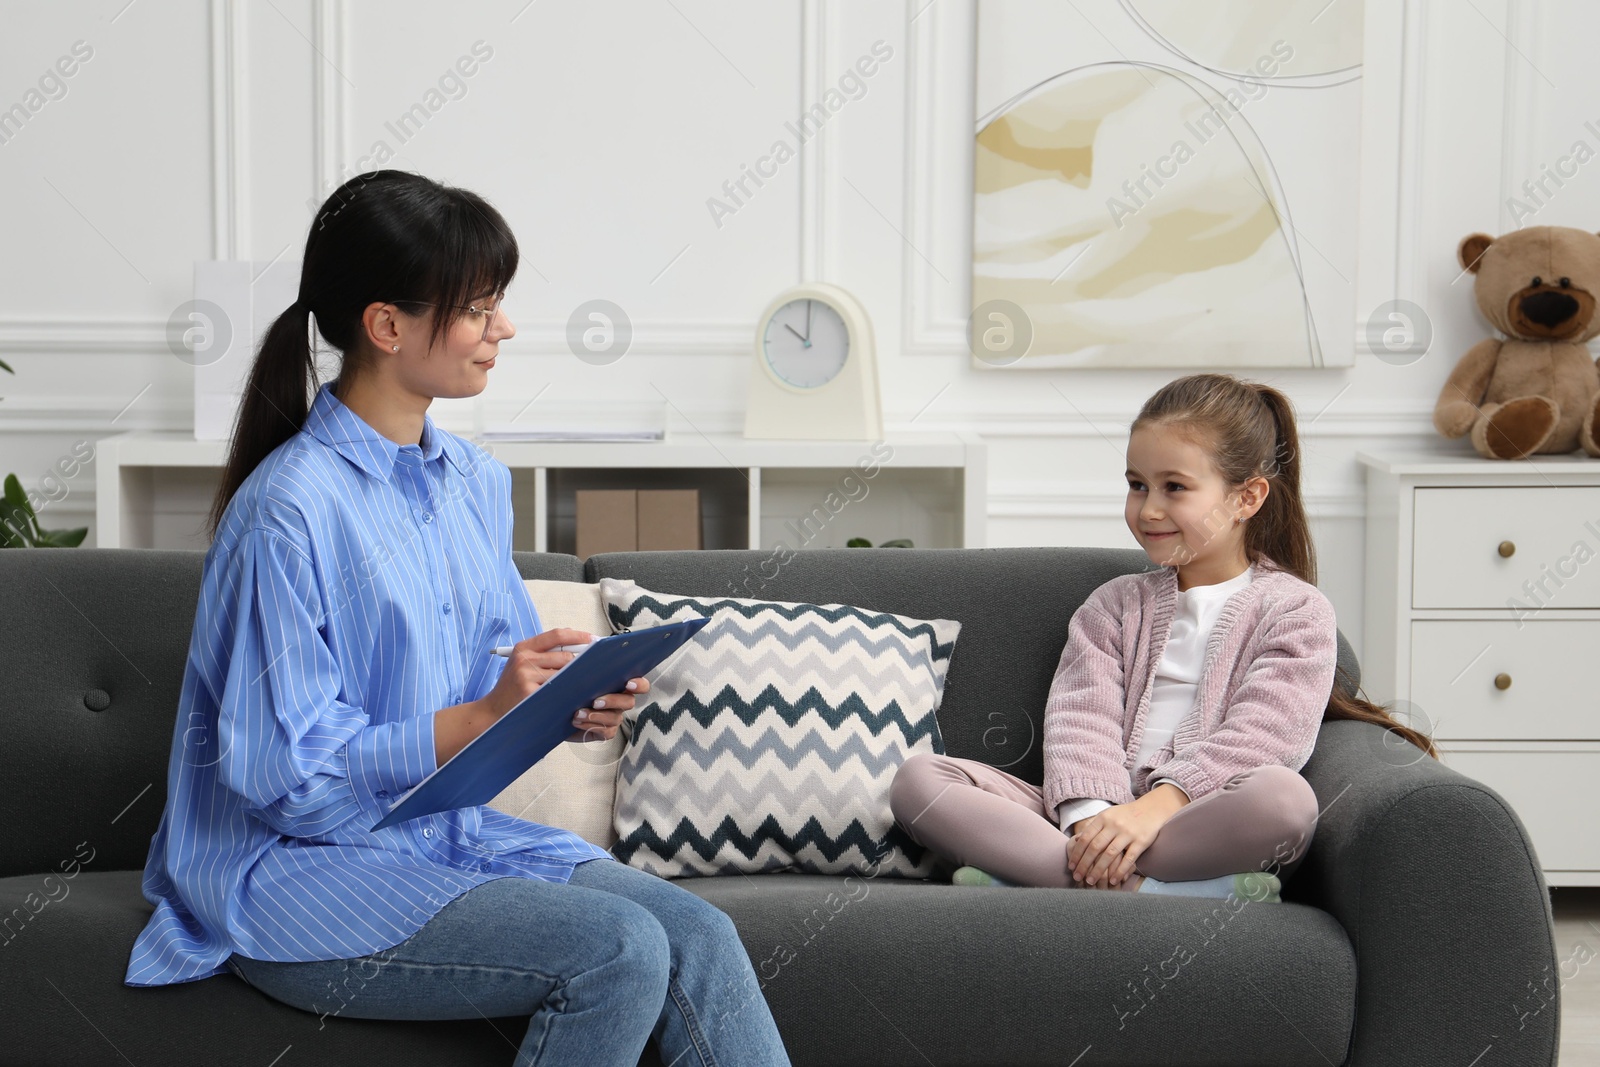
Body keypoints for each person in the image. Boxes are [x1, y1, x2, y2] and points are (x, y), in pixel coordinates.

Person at [123, 170, 791, 1067]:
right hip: (292, 871)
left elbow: (492, 678)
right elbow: (284, 781)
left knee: (698, 933)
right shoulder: (287, 510)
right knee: (619, 951)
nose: (503, 329)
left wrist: (560, 698)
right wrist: (476, 719)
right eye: (479, 308)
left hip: (445, 837)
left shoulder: (474, 483)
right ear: (387, 325)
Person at [888, 373, 1436, 897]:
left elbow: (1265, 735)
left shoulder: (1296, 611)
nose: (1148, 509)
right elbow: (1081, 717)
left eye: (1175, 487)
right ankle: (1167, 893)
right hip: (1086, 817)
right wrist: (1093, 819)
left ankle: (1038, 877)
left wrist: (1156, 808)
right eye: (1137, 485)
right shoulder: (1114, 605)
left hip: (1198, 818)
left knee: (1285, 802)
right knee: (919, 782)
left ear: (1247, 498)